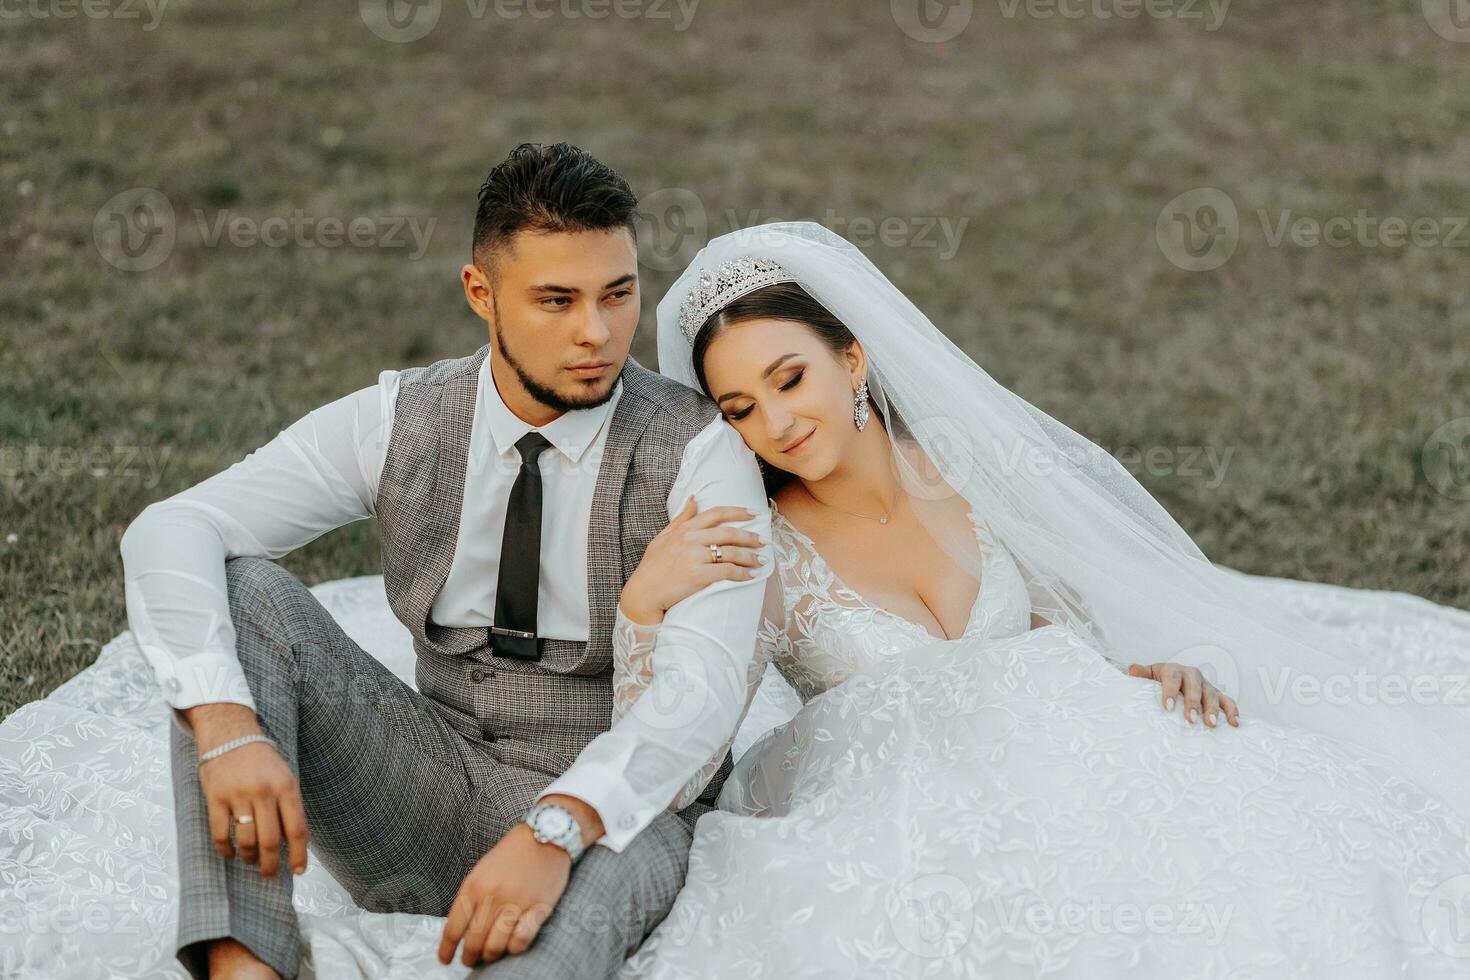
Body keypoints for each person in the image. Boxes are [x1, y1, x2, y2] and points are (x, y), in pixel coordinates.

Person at [609, 222, 1470, 977]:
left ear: (851, 356)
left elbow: (1055, 625)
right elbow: (675, 753)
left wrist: (1132, 671)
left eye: (790, 378)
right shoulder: (758, 551)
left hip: (1069, 755)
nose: (778, 423)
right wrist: (646, 606)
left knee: (1268, 877)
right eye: (743, 408)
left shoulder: (969, 465)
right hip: (911, 818)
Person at [117, 142, 773, 979]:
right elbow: (175, 526)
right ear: (480, 294)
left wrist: (555, 827)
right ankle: (246, 965)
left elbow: (703, 693)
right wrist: (223, 722)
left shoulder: (700, 452)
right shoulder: (403, 419)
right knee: (245, 593)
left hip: (617, 814)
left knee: (549, 955)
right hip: (424, 783)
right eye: (556, 300)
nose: (597, 332)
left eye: (618, 294)